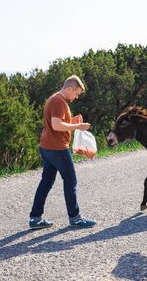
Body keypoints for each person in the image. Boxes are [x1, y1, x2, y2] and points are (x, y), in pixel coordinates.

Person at [29, 75, 96, 229]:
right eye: (76, 93)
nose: (76, 96)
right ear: (69, 88)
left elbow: (57, 123)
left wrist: (72, 121)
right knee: (71, 181)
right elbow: (57, 125)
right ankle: (75, 218)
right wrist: (78, 127)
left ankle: (35, 218)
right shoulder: (59, 101)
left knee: (46, 182)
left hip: (47, 147)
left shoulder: (54, 98)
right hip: (58, 148)